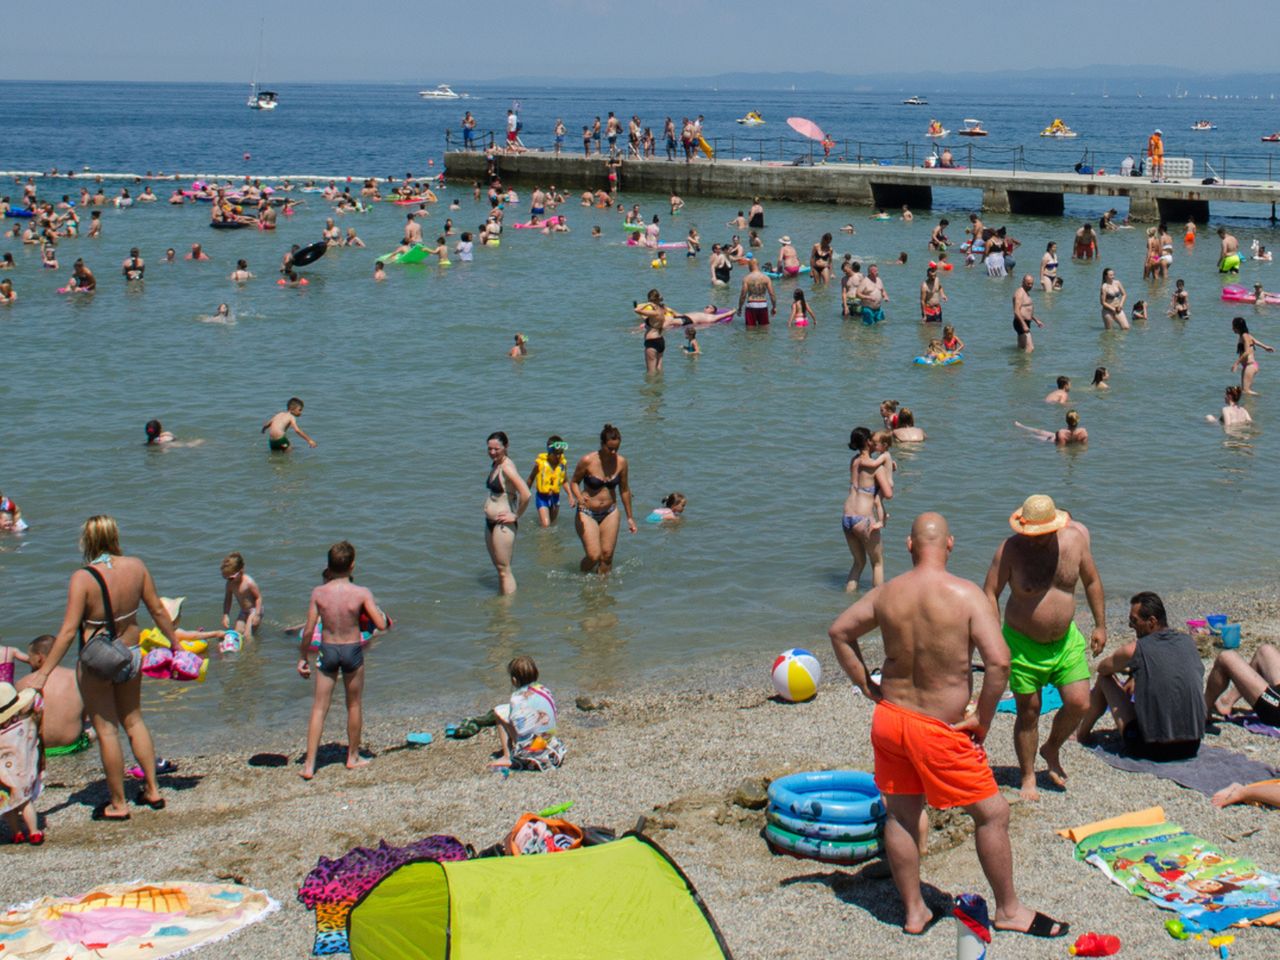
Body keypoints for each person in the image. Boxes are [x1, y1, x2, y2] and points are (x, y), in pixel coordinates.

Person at [829, 512, 1069, 939]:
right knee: (992, 814)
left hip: (890, 720)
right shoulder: (966, 596)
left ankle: (915, 911)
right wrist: (984, 718)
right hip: (937, 729)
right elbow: (999, 662)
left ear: (908, 545)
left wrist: (867, 684)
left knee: (902, 816)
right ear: (951, 544)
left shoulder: (887, 594)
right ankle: (1009, 909)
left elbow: (839, 632)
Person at [29, 515, 180, 820]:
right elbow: (157, 611)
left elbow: (69, 632)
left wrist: (43, 674)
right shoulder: (137, 567)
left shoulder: (83, 578)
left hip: (97, 659)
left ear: (86, 540)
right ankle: (152, 789)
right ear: (115, 535)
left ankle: (118, 804)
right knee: (134, 720)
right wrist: (175, 644)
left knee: (106, 729)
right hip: (132, 653)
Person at [983, 495, 1106, 800]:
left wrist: (1100, 624)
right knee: (1029, 711)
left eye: (1042, 534)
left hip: (1065, 641)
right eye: (1030, 534)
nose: (1035, 540)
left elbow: (1091, 581)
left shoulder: (1075, 542)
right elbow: (990, 592)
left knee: (1080, 702)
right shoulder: (1010, 550)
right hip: (1022, 644)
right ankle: (1027, 776)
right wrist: (993, 641)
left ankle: (1051, 747)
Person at [298, 540, 388, 780]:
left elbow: (308, 630)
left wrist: (302, 657)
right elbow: (380, 625)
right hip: (351, 650)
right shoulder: (361, 593)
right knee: (354, 704)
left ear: (328, 566)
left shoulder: (318, 592)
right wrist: (380, 615)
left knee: (319, 707)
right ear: (352, 566)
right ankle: (353, 757)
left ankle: (309, 765)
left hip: (328, 649)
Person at [1076, 592, 1204, 760]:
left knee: (1104, 680)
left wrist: (1127, 668)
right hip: (1192, 745)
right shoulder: (1187, 642)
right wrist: (1134, 674)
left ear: (1151, 621)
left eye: (1134, 621)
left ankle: (1082, 734)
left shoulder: (1135, 649)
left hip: (1153, 748)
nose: (1131, 626)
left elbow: (1103, 668)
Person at [570, 424, 636, 575]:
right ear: (602, 444)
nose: (613, 452)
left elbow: (624, 489)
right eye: (610, 448)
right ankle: (581, 579)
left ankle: (602, 593)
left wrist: (630, 518)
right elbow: (573, 482)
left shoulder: (622, 463)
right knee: (594, 555)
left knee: (607, 556)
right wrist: (579, 497)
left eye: (616, 449)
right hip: (587, 512)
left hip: (610, 511)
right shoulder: (587, 460)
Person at [487, 656, 562, 771]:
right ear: (536, 674)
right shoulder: (544, 689)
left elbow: (518, 726)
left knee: (498, 712)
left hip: (532, 745)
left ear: (514, 680)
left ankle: (507, 756)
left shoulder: (516, 698)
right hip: (548, 737)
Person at [18, 635, 89, 754]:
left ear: (39, 657)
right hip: (72, 746)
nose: (29, 662)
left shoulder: (23, 683)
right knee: (93, 726)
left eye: (30, 658)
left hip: (36, 749)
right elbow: (83, 715)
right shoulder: (77, 678)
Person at [842, 428, 894, 591]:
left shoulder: (854, 461)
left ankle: (848, 599)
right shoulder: (874, 467)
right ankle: (877, 606)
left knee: (858, 563)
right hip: (863, 519)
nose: (874, 442)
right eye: (871, 439)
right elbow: (888, 493)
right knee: (877, 563)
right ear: (867, 443)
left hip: (847, 517)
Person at [483, 431, 531, 595]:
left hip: (503, 524)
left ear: (506, 446)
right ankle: (502, 603)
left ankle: (507, 610)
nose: (492, 453)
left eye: (496, 449)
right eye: (489, 449)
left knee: (504, 570)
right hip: (491, 523)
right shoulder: (496, 464)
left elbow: (526, 493)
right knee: (499, 568)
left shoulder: (507, 467)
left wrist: (515, 515)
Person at [526, 436, 573, 527]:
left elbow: (565, 481)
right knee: (546, 525)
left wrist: (570, 495)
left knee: (553, 525)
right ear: (549, 451)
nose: (558, 456)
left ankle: (551, 541)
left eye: (560, 453)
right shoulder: (540, 464)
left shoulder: (562, 464)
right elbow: (531, 478)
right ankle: (542, 540)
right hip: (542, 497)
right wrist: (525, 494)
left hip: (555, 497)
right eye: (555, 454)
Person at [221, 552, 264, 640]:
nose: (229, 580)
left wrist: (257, 615)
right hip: (243, 611)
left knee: (248, 635)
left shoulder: (249, 582)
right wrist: (226, 614)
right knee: (237, 633)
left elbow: (258, 598)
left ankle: (251, 652)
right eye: (226, 578)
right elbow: (228, 599)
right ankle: (239, 651)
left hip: (254, 610)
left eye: (231, 578)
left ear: (241, 571)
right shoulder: (230, 584)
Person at [1233, 316, 1274, 395]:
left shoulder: (1244, 336)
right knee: (1244, 391)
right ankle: (1248, 406)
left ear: (1237, 327)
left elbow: (1247, 352)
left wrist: (1236, 363)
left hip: (1250, 366)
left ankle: (1262, 397)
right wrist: (1265, 347)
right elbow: (1254, 341)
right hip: (1248, 366)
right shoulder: (1246, 335)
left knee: (1246, 391)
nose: (1232, 328)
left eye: (1233, 326)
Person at [736, 259, 776, 327]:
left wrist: (740, 308)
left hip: (751, 305)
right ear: (758, 265)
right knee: (764, 328)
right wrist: (774, 307)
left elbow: (743, 295)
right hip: (763, 304)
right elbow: (771, 294)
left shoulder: (747, 278)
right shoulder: (766, 278)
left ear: (749, 266)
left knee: (750, 329)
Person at [1012, 275, 1044, 352]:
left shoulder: (1026, 292)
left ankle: (1019, 362)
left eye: (1032, 284)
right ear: (1023, 282)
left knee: (1021, 348)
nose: (1030, 286)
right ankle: (1028, 364)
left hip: (1025, 323)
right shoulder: (1019, 293)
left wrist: (1036, 320)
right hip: (1020, 323)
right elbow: (1016, 311)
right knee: (1030, 348)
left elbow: (1026, 310)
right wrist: (1024, 325)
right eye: (1028, 284)